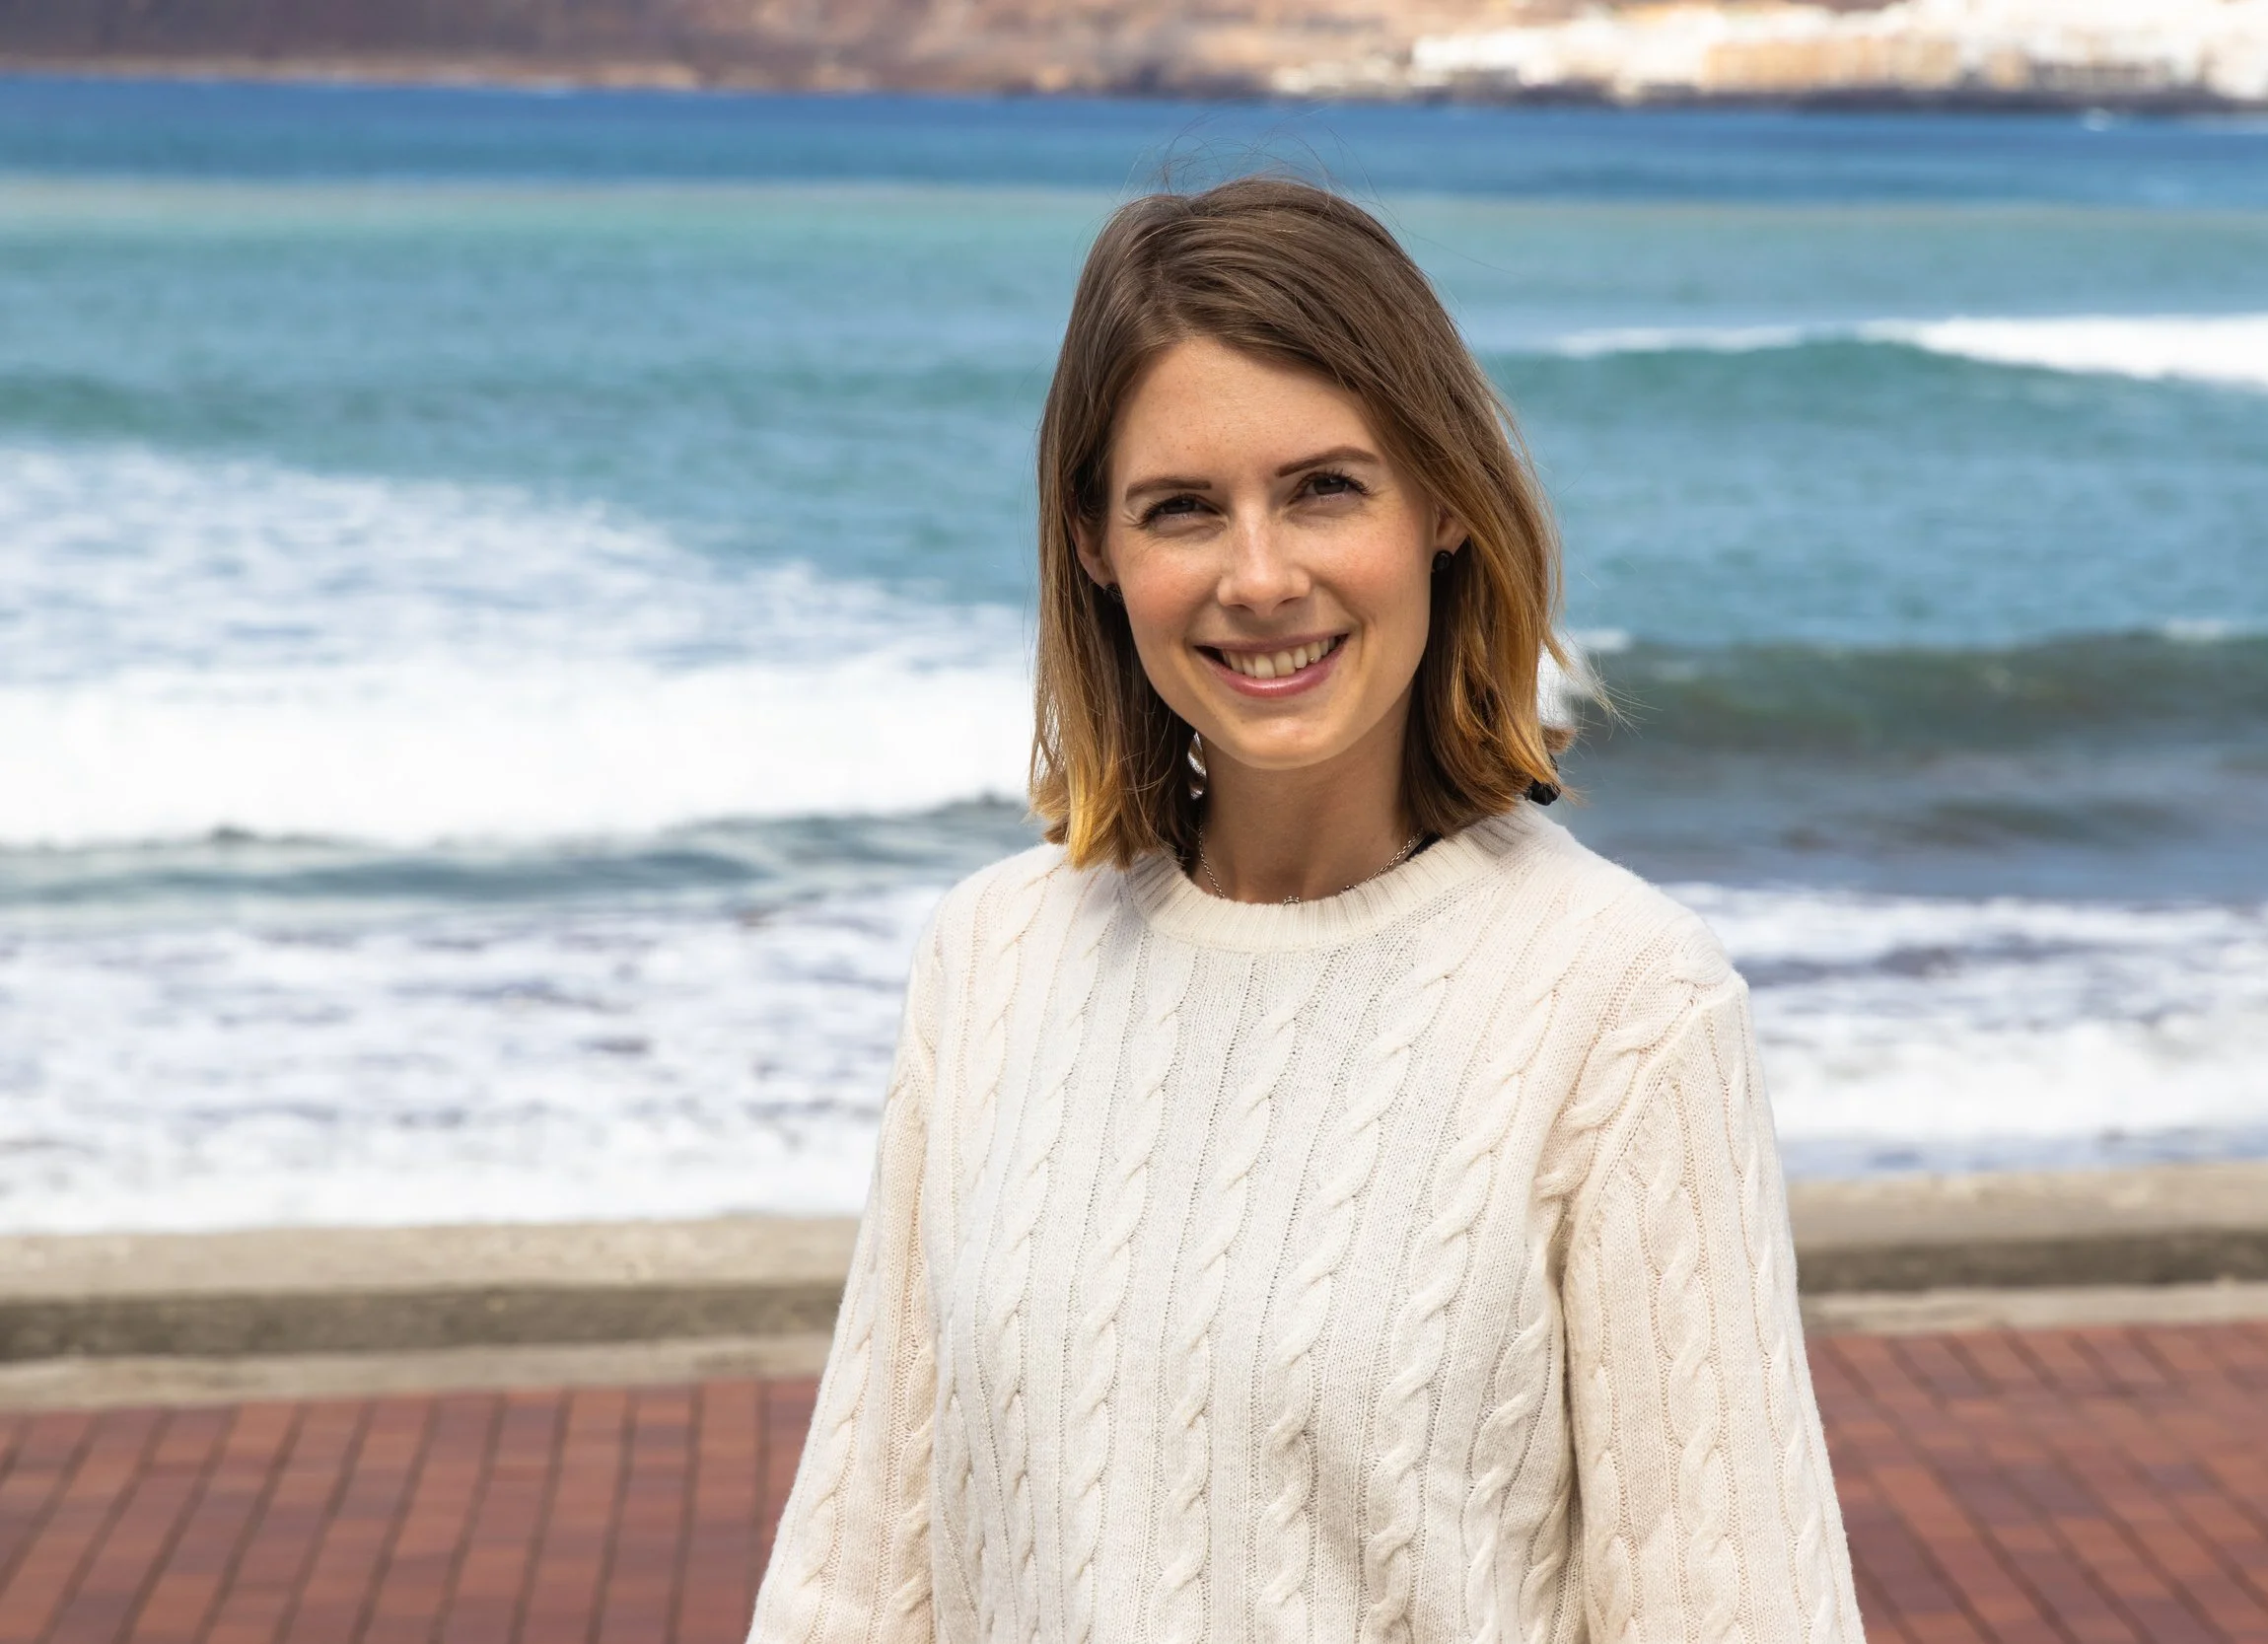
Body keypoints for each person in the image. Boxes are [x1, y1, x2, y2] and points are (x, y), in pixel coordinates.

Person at [749, 176, 1864, 1644]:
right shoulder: (992, 961)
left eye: (1326, 487)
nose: (1259, 576)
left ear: (1445, 505)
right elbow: (855, 1575)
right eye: (1182, 509)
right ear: (1096, 546)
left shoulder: (1627, 1002)